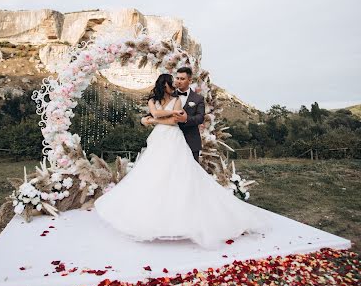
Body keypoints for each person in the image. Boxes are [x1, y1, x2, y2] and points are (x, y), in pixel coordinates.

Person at [94, 73, 271, 251]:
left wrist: (153, 120)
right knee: (155, 174)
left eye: (179, 81)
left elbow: (173, 121)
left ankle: (185, 217)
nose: (175, 85)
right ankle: (158, 217)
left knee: (182, 174)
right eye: (172, 83)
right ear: (165, 85)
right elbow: (157, 112)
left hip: (174, 138)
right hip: (158, 139)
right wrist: (161, 116)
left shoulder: (180, 99)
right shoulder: (153, 100)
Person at [143, 66, 205, 163]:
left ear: (190, 80)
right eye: (177, 78)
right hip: (166, 139)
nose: (179, 81)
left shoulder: (198, 99)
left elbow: (200, 118)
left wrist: (186, 119)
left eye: (182, 79)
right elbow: (153, 112)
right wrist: (144, 119)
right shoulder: (168, 94)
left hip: (190, 140)